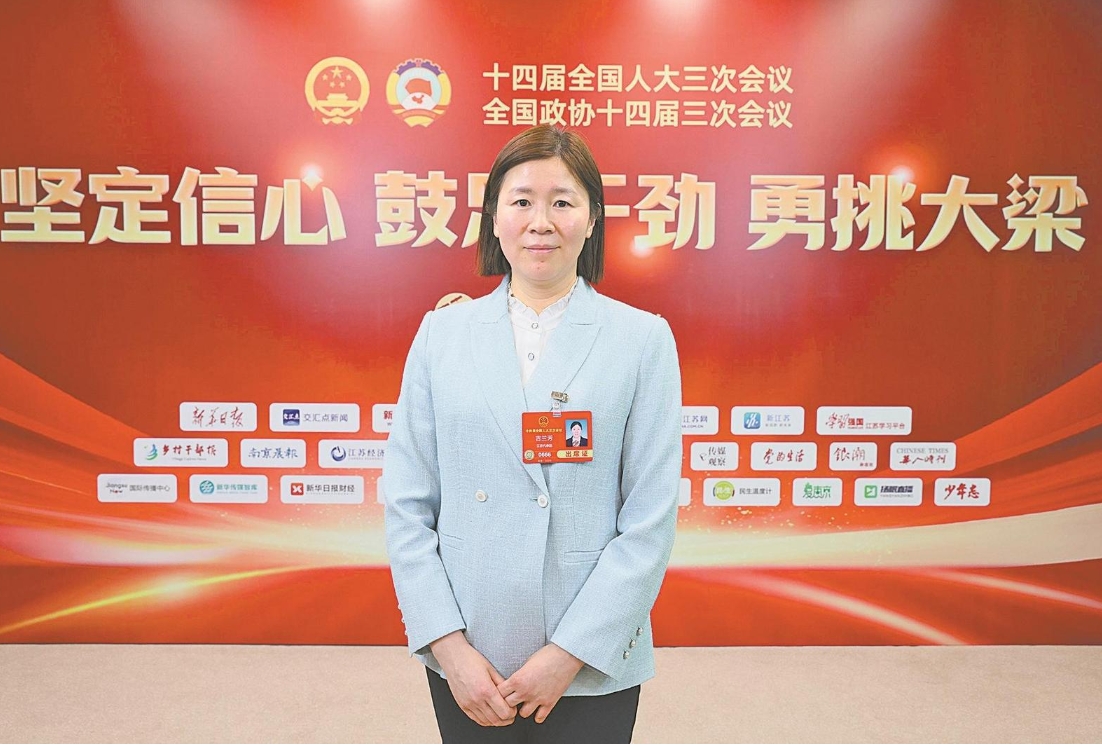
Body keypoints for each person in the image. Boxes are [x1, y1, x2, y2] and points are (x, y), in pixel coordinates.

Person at [383, 124, 682, 743]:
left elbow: (649, 519)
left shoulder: (641, 339)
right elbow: (408, 505)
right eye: (521, 201)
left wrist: (570, 653)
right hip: (470, 651)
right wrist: (448, 648)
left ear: (592, 219)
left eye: (562, 202)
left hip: (592, 652)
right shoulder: (442, 335)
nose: (540, 222)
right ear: (494, 217)